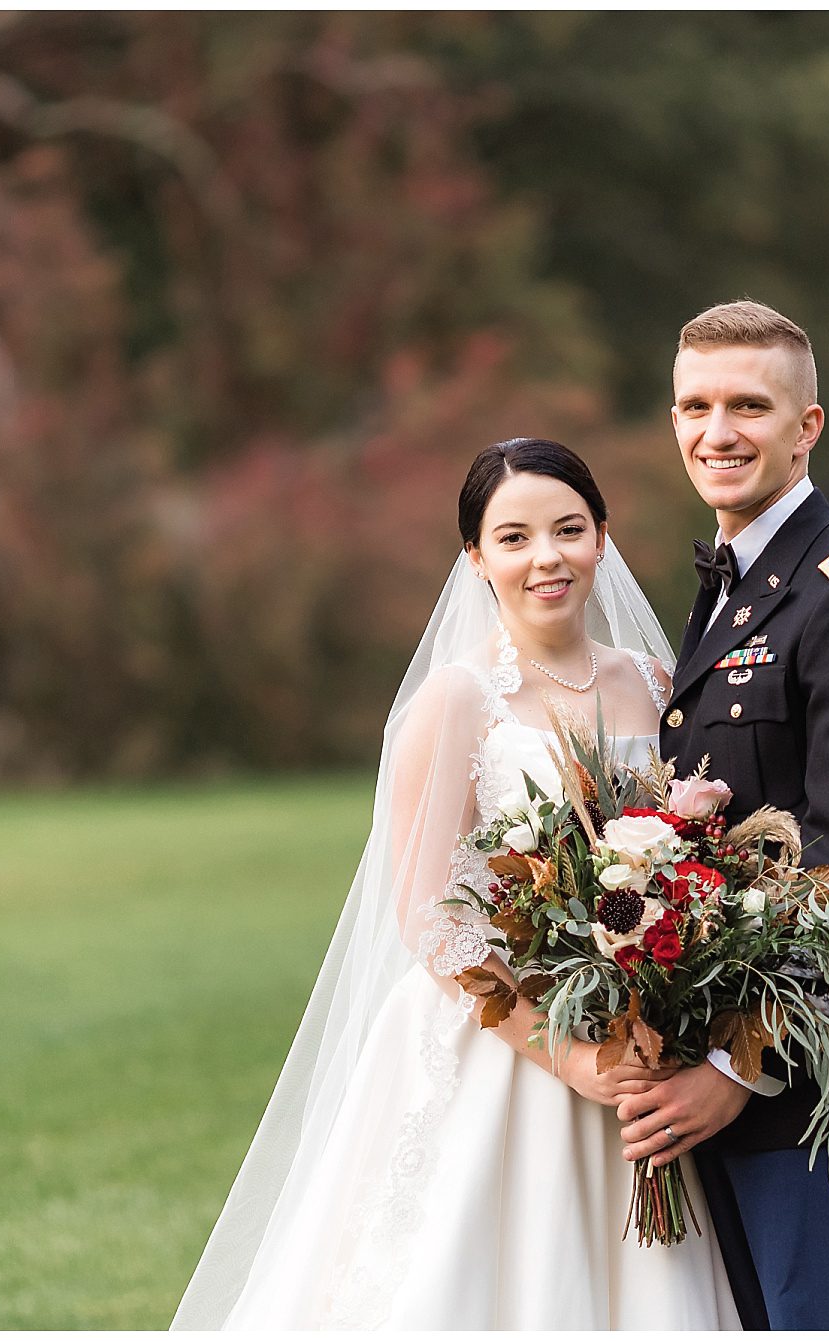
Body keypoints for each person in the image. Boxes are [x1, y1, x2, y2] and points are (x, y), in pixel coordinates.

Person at [171, 438, 740, 1329]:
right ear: (476, 557)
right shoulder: (455, 701)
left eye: (568, 529)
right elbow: (427, 914)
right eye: (513, 538)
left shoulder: (657, 683)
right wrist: (568, 1054)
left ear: (602, 536)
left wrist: (647, 998)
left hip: (635, 1038)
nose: (546, 557)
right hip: (501, 1040)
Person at [616, 300, 829, 1330]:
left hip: (820, 1089)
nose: (714, 431)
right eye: (693, 405)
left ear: (805, 426)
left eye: (746, 405)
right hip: (722, 1096)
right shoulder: (729, 591)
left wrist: (736, 1065)